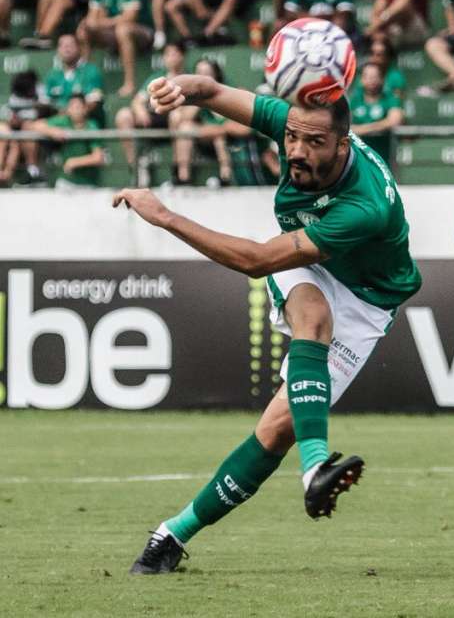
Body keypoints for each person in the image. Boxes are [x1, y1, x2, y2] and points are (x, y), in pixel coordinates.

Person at [124, 66, 422, 575]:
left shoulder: (364, 206)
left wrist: (166, 217)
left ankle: (172, 533)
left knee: (275, 431)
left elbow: (257, 262)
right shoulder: (296, 122)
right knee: (313, 317)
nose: (298, 151)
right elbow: (213, 91)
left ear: (343, 142)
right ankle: (315, 469)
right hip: (308, 262)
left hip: (369, 299)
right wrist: (180, 87)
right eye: (291, 138)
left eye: (314, 143)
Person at [77, 0, 153, 97]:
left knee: (123, 29)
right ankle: (83, 81)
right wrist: (99, 22)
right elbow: (92, 21)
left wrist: (102, 21)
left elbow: (130, 18)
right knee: (83, 29)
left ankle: (129, 83)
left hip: (144, 32)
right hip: (114, 33)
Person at [114, 41, 188, 180]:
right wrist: (141, 110)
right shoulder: (157, 76)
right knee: (123, 115)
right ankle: (134, 167)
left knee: (176, 116)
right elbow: (137, 100)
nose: (170, 58)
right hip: (154, 115)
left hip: (175, 117)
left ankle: (176, 168)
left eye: (174, 54)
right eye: (167, 54)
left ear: (182, 56)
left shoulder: (187, 78)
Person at [168, 58, 235, 186]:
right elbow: (184, 119)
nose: (202, 77)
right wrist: (199, 98)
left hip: (226, 137)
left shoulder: (226, 91)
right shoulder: (191, 94)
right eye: (199, 73)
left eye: (206, 73)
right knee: (185, 128)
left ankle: (225, 177)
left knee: (219, 137)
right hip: (203, 137)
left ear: (215, 75)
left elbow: (228, 123)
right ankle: (183, 177)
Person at [32, 93, 106, 188]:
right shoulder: (64, 121)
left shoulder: (91, 126)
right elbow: (36, 125)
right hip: (66, 181)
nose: (75, 110)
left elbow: (98, 157)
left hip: (88, 183)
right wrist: (52, 131)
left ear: (85, 109)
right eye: (72, 107)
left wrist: (75, 162)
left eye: (78, 107)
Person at [348, 62, 405, 165]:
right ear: (361, 79)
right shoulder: (354, 98)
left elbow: (394, 121)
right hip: (358, 157)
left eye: (375, 77)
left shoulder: (389, 97)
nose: (371, 80)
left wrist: (361, 129)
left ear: (382, 79)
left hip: (384, 156)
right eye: (368, 77)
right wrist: (380, 125)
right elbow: (344, 126)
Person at [44, 33, 105, 121]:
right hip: (57, 122)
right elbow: (45, 103)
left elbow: (93, 103)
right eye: (62, 46)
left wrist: (69, 115)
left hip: (84, 123)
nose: (66, 49)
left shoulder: (91, 71)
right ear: (58, 50)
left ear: (79, 48)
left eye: (70, 45)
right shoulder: (52, 74)